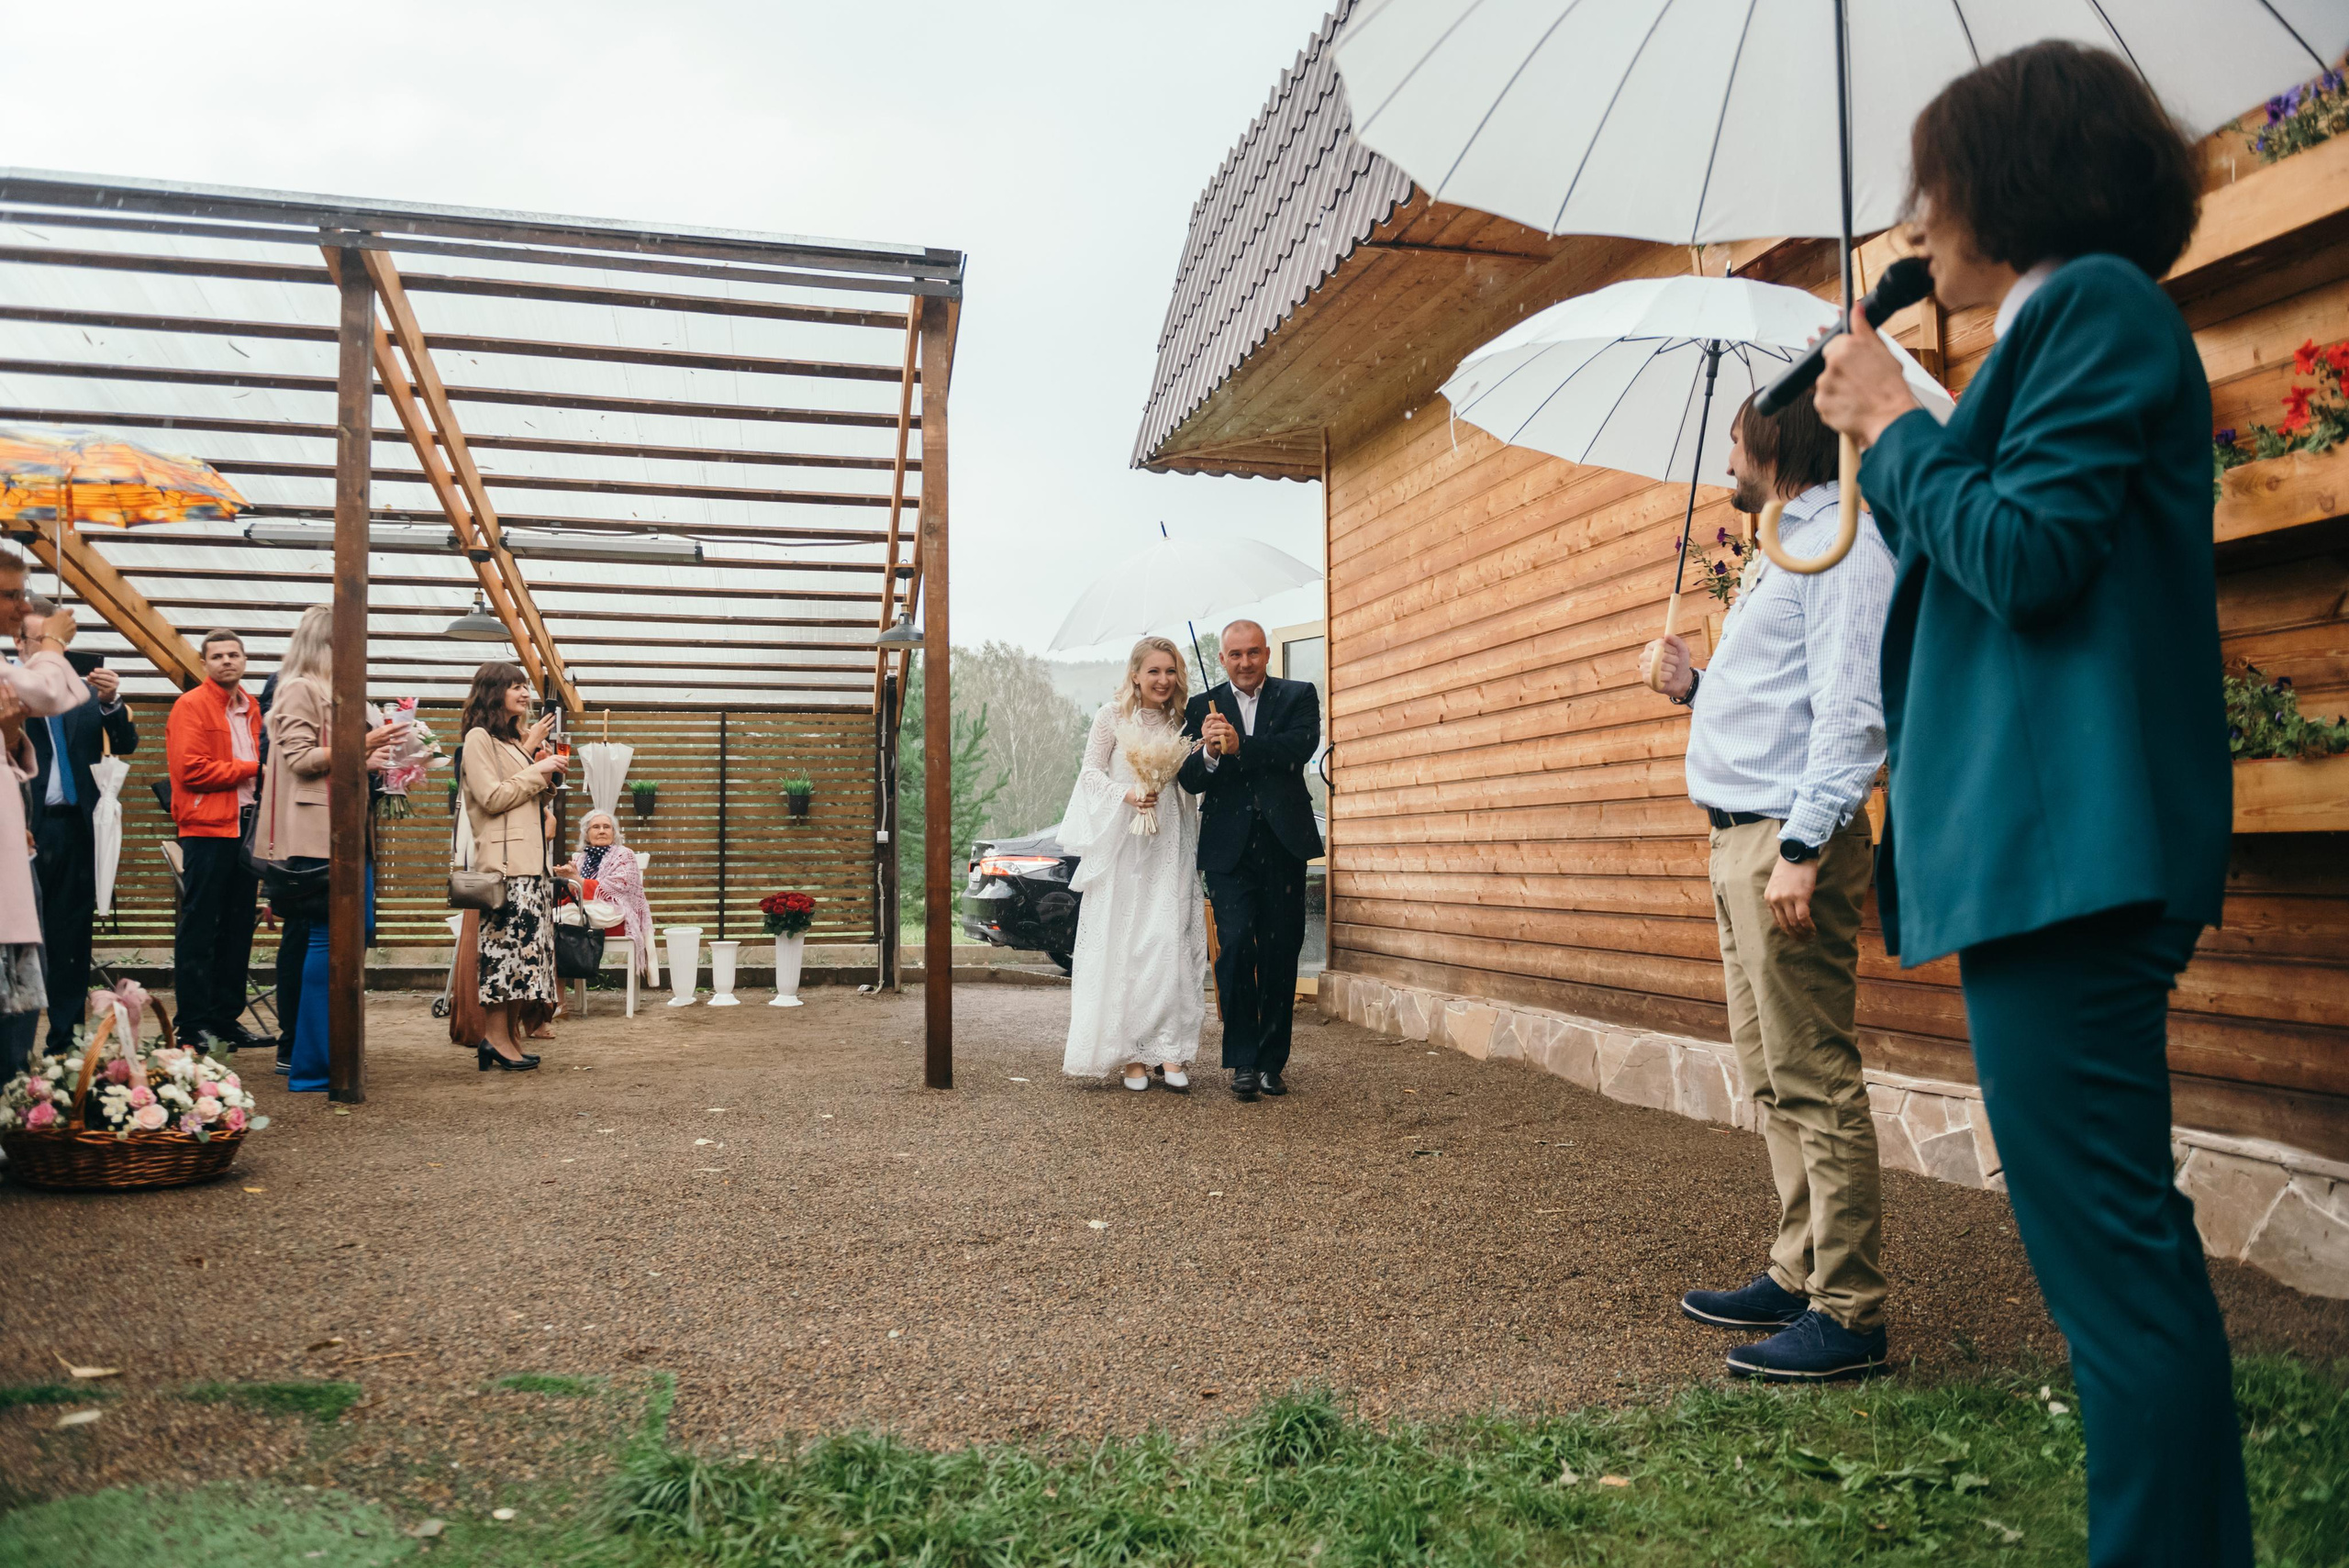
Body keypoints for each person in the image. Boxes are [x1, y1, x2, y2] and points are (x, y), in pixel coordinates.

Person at [1811, 40, 2241, 1565]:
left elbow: (2028, 557)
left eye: (1938, 186)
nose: (1922, 224)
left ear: (2017, 176)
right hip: (2054, 861)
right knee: (2114, 1256)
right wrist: (1916, 424)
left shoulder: (2102, 311)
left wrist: (1896, 426)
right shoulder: (2061, 329)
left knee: (2113, 1267)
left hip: (2074, 860)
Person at [1642, 388, 1897, 1382]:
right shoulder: (1775, 550)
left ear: (1771, 443)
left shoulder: (1840, 543)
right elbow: (1782, 703)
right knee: (1770, 1070)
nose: (1727, 456)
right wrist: (1693, 689)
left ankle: (1850, 1309)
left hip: (1788, 845)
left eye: (1735, 437)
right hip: (1739, 838)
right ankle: (1797, 1268)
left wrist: (1800, 842)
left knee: (1815, 1073)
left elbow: (1851, 709)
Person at [1175, 619, 1323, 1102]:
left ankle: (1270, 1062)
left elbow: (1298, 749)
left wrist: (1242, 746)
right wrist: (1211, 756)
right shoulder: (1201, 707)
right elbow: (1191, 779)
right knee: (1236, 949)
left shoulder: (1299, 694)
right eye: (1235, 655)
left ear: (1266, 654)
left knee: (1281, 952)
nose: (1245, 663)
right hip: (1227, 850)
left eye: (1253, 653)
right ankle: (1241, 1061)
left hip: (1284, 844)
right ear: (1222, 659)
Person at [253, 606, 401, 1088]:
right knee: (326, 941)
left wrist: (374, 758)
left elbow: (338, 759)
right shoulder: (299, 688)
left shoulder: (336, 694)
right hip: (317, 836)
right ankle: (314, 1063)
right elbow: (299, 758)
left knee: (349, 941)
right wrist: (364, 745)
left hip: (347, 831)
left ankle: (335, 1052)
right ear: (326, 644)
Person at [1058, 637, 1208, 1090]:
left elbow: (1191, 780)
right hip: (1126, 840)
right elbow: (1089, 772)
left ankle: (1170, 1050)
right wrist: (1128, 794)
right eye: (1154, 672)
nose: (1163, 680)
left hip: (1168, 841)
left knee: (1166, 940)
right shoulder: (1111, 717)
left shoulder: (1182, 721)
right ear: (1136, 675)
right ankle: (1131, 1056)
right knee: (1127, 943)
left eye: (1171, 672)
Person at [17, 595, 137, 1059]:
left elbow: (126, 742)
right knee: (20, 939)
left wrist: (112, 703)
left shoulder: (83, 693)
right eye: (42, 638)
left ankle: (62, 1043)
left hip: (74, 829)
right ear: (20, 640)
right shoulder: (11, 686)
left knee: (70, 936)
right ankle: (15, 1046)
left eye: (59, 639)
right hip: (24, 829)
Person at [0, 550, 89, 1077]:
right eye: (10, 594)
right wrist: (54, 641)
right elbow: (49, 690)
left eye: (23, 592)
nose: (22, 604)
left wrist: (10, 736)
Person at [457, 662, 566, 1071]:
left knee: (525, 962)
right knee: (501, 960)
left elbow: (520, 792)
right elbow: (491, 798)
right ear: (492, 691)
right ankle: (494, 1039)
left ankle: (508, 1039)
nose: (525, 693)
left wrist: (542, 770)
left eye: (525, 686)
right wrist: (537, 769)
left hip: (530, 868)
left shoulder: (510, 740)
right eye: (515, 686)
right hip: (504, 869)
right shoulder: (477, 738)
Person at [165, 628, 264, 1053]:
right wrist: (252, 768)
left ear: (244, 660)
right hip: (206, 829)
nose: (227, 661)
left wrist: (253, 770)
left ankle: (226, 1020)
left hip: (246, 827)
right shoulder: (190, 705)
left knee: (239, 927)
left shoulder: (252, 706)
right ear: (204, 664)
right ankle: (192, 1025)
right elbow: (191, 770)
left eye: (234, 654)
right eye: (218, 655)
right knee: (200, 927)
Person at [573, 809, 654, 984]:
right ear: (586, 834)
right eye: (596, 827)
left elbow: (619, 887)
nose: (602, 831)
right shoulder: (580, 859)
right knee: (563, 919)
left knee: (566, 921)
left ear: (614, 832)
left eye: (606, 827)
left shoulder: (624, 855)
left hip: (616, 914)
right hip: (585, 913)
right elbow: (573, 890)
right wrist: (571, 881)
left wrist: (578, 882)